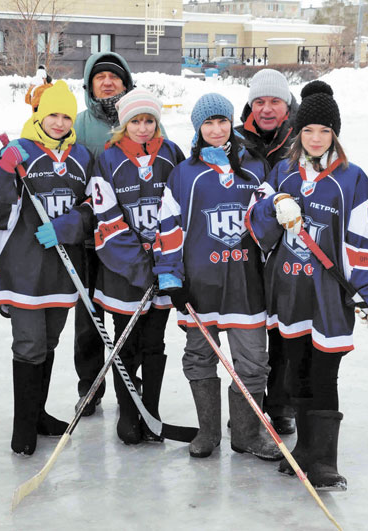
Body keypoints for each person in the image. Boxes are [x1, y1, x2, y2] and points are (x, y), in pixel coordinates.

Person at [248, 80, 368, 490]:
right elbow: (256, 225)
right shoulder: (283, 172)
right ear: (298, 132)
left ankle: (323, 460)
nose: (315, 138)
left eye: (324, 131)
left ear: (335, 135)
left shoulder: (352, 179)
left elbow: (366, 240)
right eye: (308, 130)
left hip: (328, 296)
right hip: (290, 293)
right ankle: (304, 451)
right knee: (295, 374)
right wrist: (274, 205)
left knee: (324, 374)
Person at [154, 93, 280, 461]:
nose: (216, 129)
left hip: (246, 285)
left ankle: (246, 435)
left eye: (222, 121)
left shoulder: (255, 167)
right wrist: (171, 278)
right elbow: (169, 228)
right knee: (198, 358)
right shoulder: (184, 174)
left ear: (231, 123)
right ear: (198, 128)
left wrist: (276, 211)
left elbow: (269, 227)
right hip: (201, 285)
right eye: (208, 123)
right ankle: (208, 432)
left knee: (254, 363)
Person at [0, 80, 93, 456]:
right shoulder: (19, 151)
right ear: (39, 116)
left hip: (63, 270)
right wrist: (1, 172)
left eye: (65, 115)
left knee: (49, 343)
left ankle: (38, 414)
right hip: (25, 267)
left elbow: (93, 209)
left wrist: (68, 226)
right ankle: (22, 427)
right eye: (52, 115)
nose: (59, 123)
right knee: (29, 345)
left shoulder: (83, 157)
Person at [89, 88, 185, 444]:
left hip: (163, 268)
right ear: (123, 124)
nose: (143, 128)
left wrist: (164, 263)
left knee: (154, 343)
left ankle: (151, 412)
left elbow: (179, 213)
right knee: (124, 344)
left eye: (149, 121)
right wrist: (141, 267)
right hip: (123, 272)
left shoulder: (172, 155)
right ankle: (129, 415)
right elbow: (107, 219)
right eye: (135, 122)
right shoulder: (108, 159)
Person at [69, 52, 135, 416]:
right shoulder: (77, 123)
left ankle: (132, 388)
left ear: (126, 84)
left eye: (115, 76)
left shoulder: (142, 120)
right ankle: (89, 388)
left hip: (129, 240)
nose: (107, 82)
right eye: (100, 77)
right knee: (88, 320)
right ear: (89, 85)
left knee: (129, 318)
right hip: (88, 240)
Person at [236, 68, 300, 436]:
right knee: (248, 336)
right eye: (259, 101)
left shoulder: (301, 139)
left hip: (288, 252)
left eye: (275, 101)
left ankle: (280, 405)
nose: (266, 108)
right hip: (244, 248)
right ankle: (247, 407)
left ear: (287, 104)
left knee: (283, 332)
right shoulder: (237, 141)